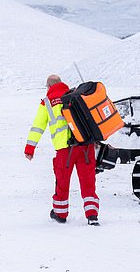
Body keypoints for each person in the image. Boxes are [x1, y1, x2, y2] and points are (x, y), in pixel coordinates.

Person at [24, 75, 100, 226]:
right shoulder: (77, 95)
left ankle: (60, 213)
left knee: (62, 181)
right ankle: (92, 215)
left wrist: (30, 149)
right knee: (88, 182)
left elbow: (38, 127)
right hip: (85, 146)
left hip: (65, 149)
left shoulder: (47, 102)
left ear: (49, 86)